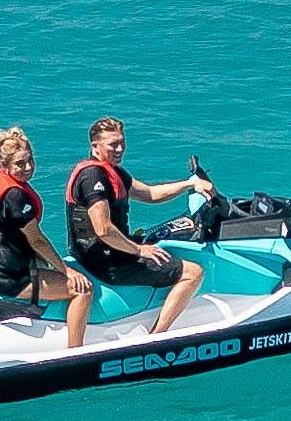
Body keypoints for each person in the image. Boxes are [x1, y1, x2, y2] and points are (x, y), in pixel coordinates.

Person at [55, 116, 215, 351]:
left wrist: (190, 184)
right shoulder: (94, 178)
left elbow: (150, 194)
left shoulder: (113, 172)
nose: (119, 149)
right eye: (112, 145)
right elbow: (103, 229)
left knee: (159, 241)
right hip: (108, 262)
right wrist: (139, 250)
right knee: (193, 272)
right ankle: (156, 338)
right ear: (95, 146)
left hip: (92, 255)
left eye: (121, 143)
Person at [0, 126, 84, 321]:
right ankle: (77, 348)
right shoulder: (15, 196)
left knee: (56, 268)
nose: (28, 167)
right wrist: (66, 271)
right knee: (82, 289)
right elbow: (37, 241)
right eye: (20, 164)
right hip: (7, 277)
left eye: (30, 159)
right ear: (6, 165)